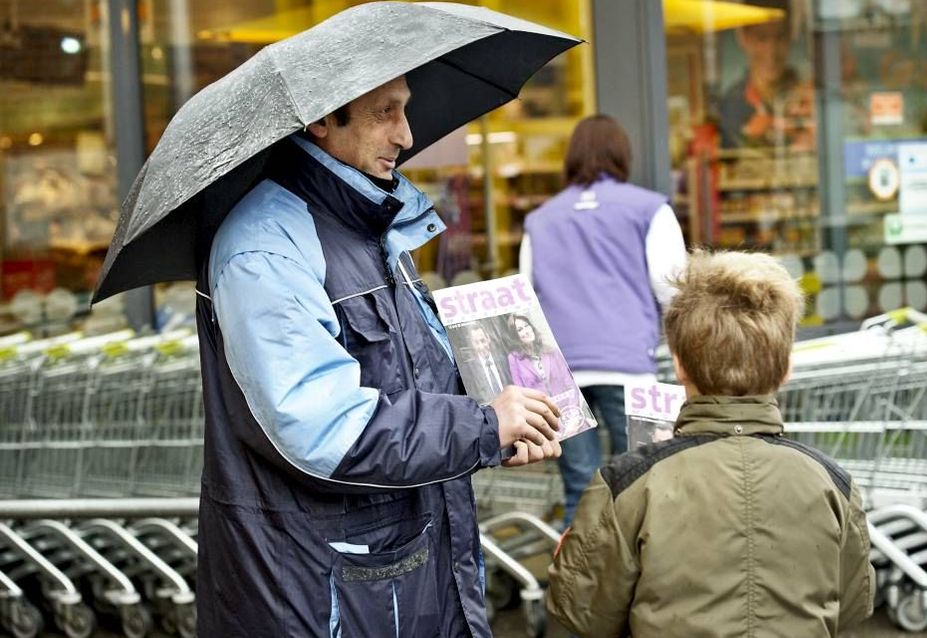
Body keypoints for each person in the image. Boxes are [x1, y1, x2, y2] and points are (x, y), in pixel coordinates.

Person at [195, 74, 563, 638]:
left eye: (405, 109)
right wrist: (482, 425)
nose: (406, 134)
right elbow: (325, 430)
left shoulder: (368, 227)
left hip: (391, 576)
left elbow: (408, 381)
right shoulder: (266, 247)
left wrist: (493, 429)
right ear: (321, 119)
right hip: (319, 593)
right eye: (383, 112)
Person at [546, 250, 875, 638]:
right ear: (786, 369)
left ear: (680, 365)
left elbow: (583, 611)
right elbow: (854, 603)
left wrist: (568, 559)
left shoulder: (629, 483)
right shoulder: (832, 484)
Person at [519, 113, 687, 525]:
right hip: (628, 364)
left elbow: (526, 297)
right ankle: (644, 580)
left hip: (559, 373)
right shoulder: (649, 209)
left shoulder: (540, 221)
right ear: (621, 154)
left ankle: (579, 584)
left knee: (580, 485)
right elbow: (674, 288)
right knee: (645, 478)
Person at [717, 1, 814, 150]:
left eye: (780, 37)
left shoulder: (809, 97)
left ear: (790, 36)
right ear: (743, 38)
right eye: (761, 38)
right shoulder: (730, 107)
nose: (771, 51)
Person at [458, 320, 513, 403]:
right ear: (472, 344)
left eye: (483, 341)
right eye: (476, 343)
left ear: (488, 338)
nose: (481, 346)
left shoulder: (504, 361)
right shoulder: (468, 370)